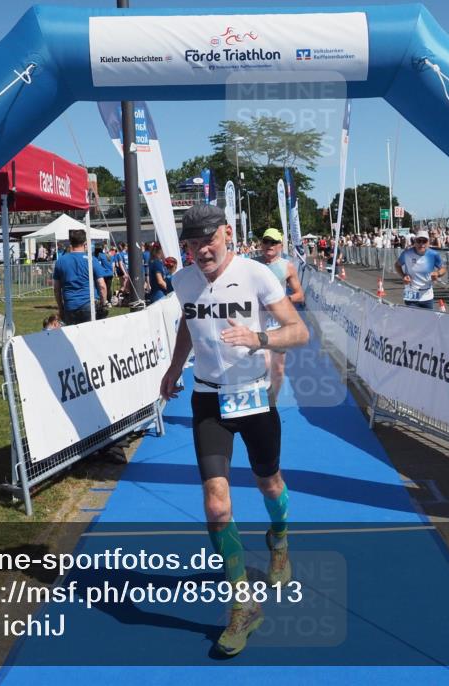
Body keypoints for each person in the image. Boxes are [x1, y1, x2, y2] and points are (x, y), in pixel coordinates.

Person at [158, 204, 308, 657]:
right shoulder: (183, 280)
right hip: (207, 398)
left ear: (227, 234)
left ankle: (279, 538)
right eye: (192, 242)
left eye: (209, 239)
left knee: (269, 482)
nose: (202, 248)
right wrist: (172, 367)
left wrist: (259, 338)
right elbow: (188, 320)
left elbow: (297, 331)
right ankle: (243, 602)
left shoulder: (258, 274)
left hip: (254, 396)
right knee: (216, 502)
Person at [255, 227, 306, 403]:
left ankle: (272, 403)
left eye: (273, 242)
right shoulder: (251, 264)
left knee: (277, 369)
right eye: (266, 241)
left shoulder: (287, 266)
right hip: (256, 323)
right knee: (264, 365)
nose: (269, 245)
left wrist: (284, 300)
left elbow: (300, 295)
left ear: (280, 245)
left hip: (278, 325)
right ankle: (257, 402)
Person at [52, 229, 107, 324]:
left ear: (70, 242)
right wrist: (103, 303)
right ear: (85, 242)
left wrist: (61, 308)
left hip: (70, 305)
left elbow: (56, 288)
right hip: (88, 305)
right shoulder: (91, 259)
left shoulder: (60, 261)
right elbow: (102, 285)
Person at [395, 231, 446, 310]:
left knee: (428, 320)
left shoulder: (434, 254)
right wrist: (403, 276)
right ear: (415, 242)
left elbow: (443, 268)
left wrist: (438, 273)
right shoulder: (407, 253)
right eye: (419, 241)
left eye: (424, 241)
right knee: (413, 320)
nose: (421, 244)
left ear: (428, 242)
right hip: (411, 294)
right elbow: (397, 265)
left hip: (427, 294)